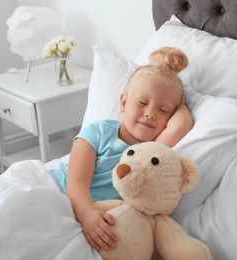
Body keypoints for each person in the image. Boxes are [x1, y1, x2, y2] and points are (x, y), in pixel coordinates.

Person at [49, 46, 193, 252]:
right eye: (142, 102)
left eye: (163, 110)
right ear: (124, 102)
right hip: (66, 196)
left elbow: (182, 124)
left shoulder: (151, 152)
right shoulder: (99, 132)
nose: (150, 114)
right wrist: (87, 214)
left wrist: (180, 102)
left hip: (101, 218)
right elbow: (77, 182)